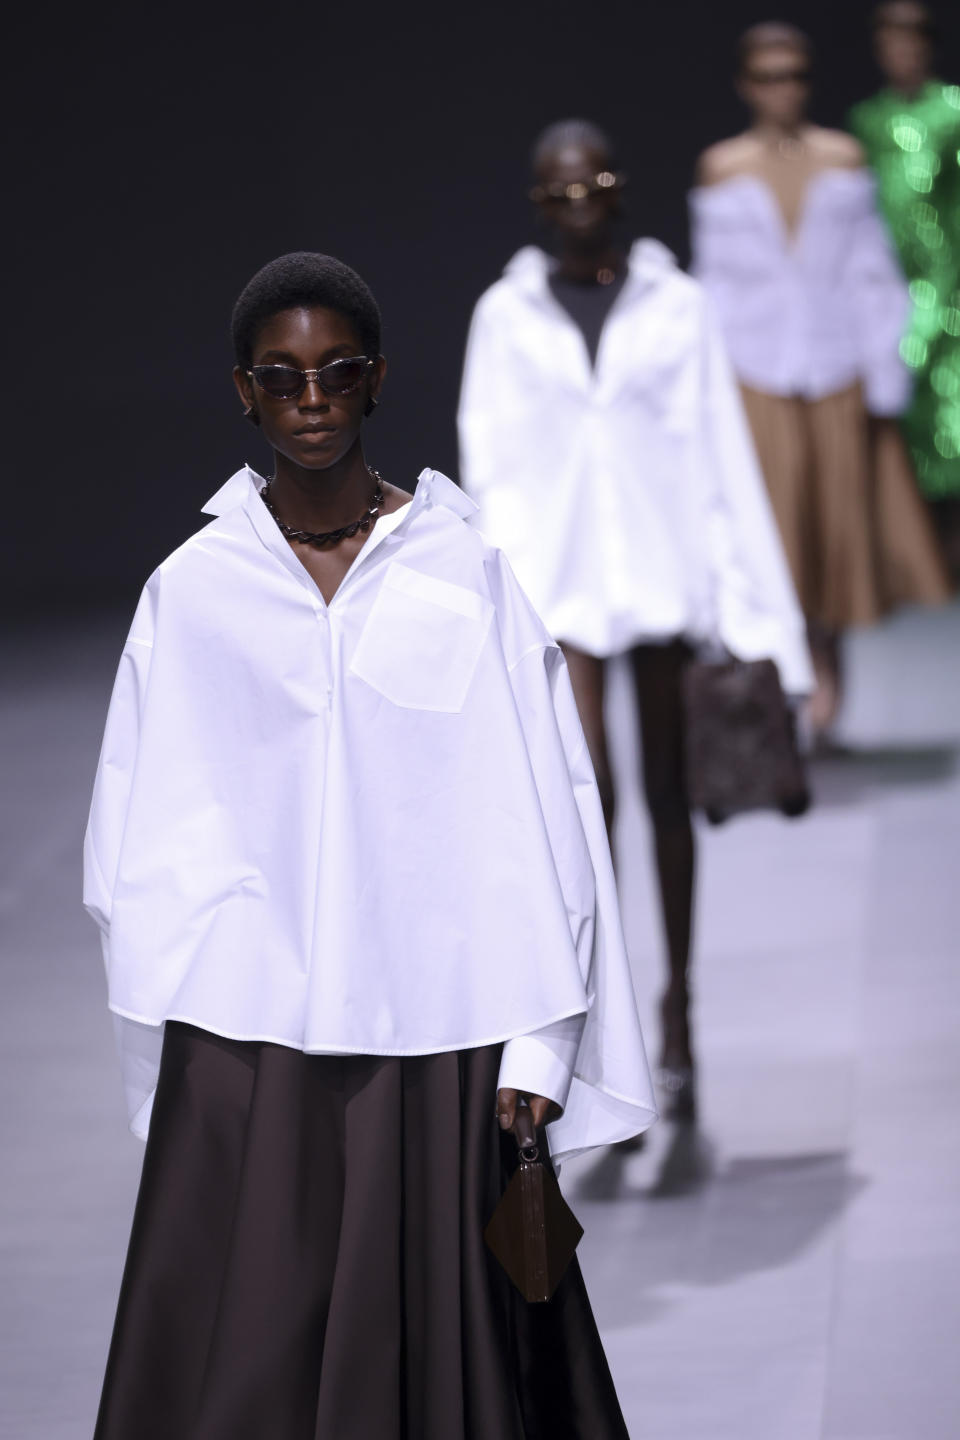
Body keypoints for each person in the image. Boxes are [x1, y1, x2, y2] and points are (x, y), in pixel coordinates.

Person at [83, 251, 656, 1440]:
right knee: (242, 1368)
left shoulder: (467, 573)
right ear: (244, 391)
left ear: (377, 380)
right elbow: (136, 841)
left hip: (440, 1038)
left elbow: (551, 815)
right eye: (281, 376)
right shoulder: (192, 594)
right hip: (247, 1043)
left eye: (336, 371)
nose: (310, 397)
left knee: (435, 1361)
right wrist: (170, 1063)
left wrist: (543, 1047)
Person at [458, 120, 812, 1123]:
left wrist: (758, 618)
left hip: (661, 577)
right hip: (558, 586)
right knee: (585, 806)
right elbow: (490, 462)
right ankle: (600, 1021)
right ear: (537, 201)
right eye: (559, 191)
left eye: (594, 184)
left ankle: (681, 1005)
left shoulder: (678, 303)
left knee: (667, 797)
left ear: (618, 189)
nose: (578, 203)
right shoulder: (505, 314)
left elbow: (721, 450)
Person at [691, 22, 950, 733]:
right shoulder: (723, 165)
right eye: (770, 75)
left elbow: (873, 275)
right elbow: (714, 288)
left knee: (837, 533)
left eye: (797, 74)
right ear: (746, 84)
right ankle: (788, 681)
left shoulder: (843, 157)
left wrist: (884, 380)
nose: (785, 89)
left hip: (836, 373)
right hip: (757, 377)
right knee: (773, 533)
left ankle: (829, 673)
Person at [849, 2, 960, 566]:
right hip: (889, 291)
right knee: (901, 412)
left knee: (953, 412)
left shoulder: (953, 110)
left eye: (912, 42)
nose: (903, 53)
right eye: (892, 43)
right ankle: (917, 552)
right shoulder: (868, 121)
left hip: (953, 289)